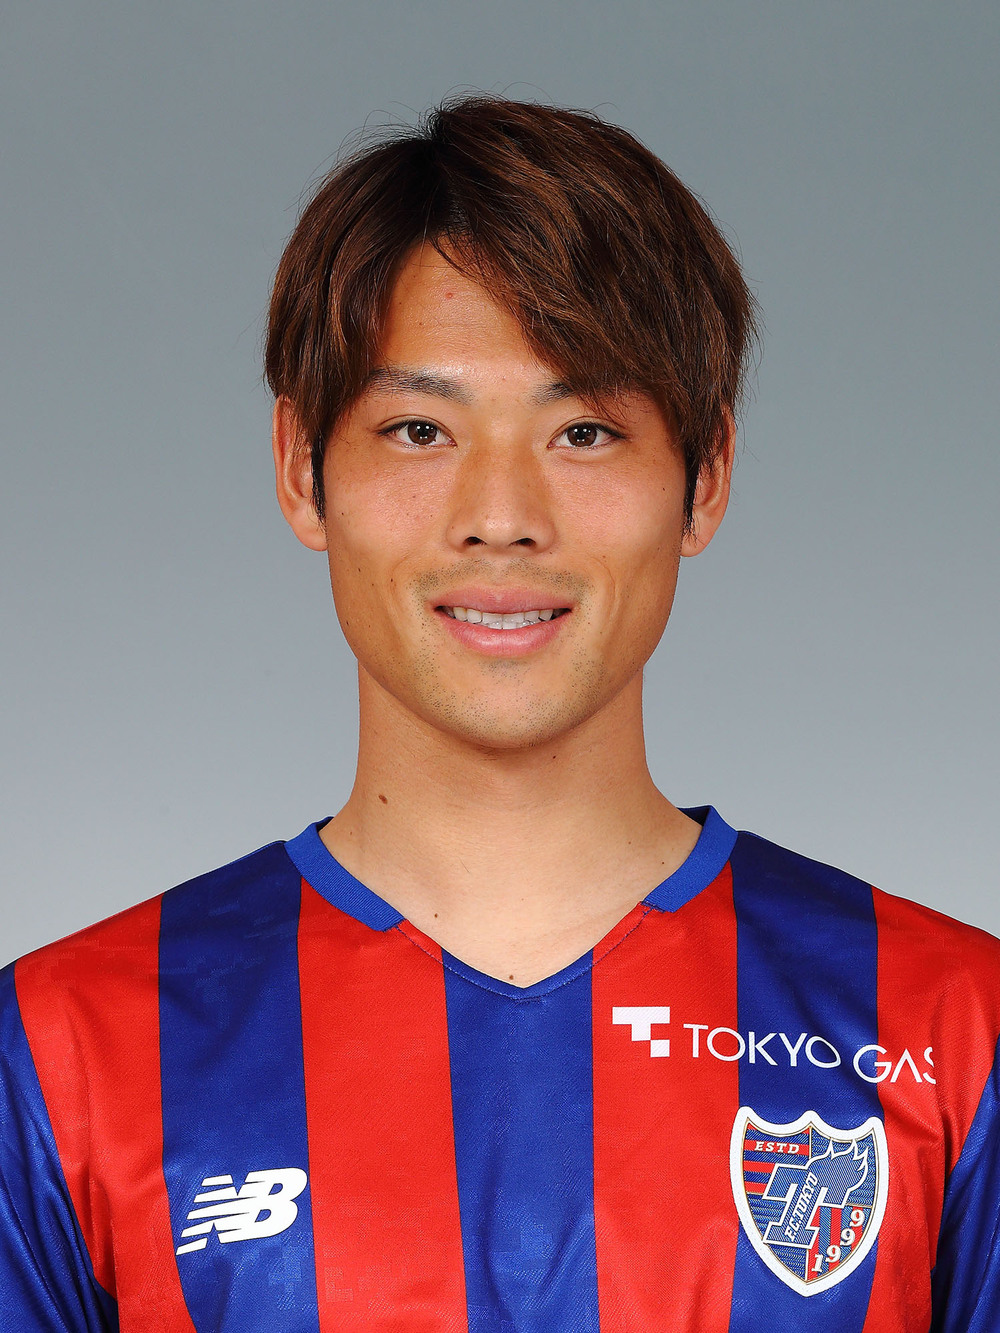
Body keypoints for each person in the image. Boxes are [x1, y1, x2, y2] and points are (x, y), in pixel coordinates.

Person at [1, 95, 997, 1333]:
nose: (501, 517)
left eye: (584, 430)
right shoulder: (65, 1050)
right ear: (303, 470)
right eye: (420, 429)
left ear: (705, 479)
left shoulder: (951, 1027)